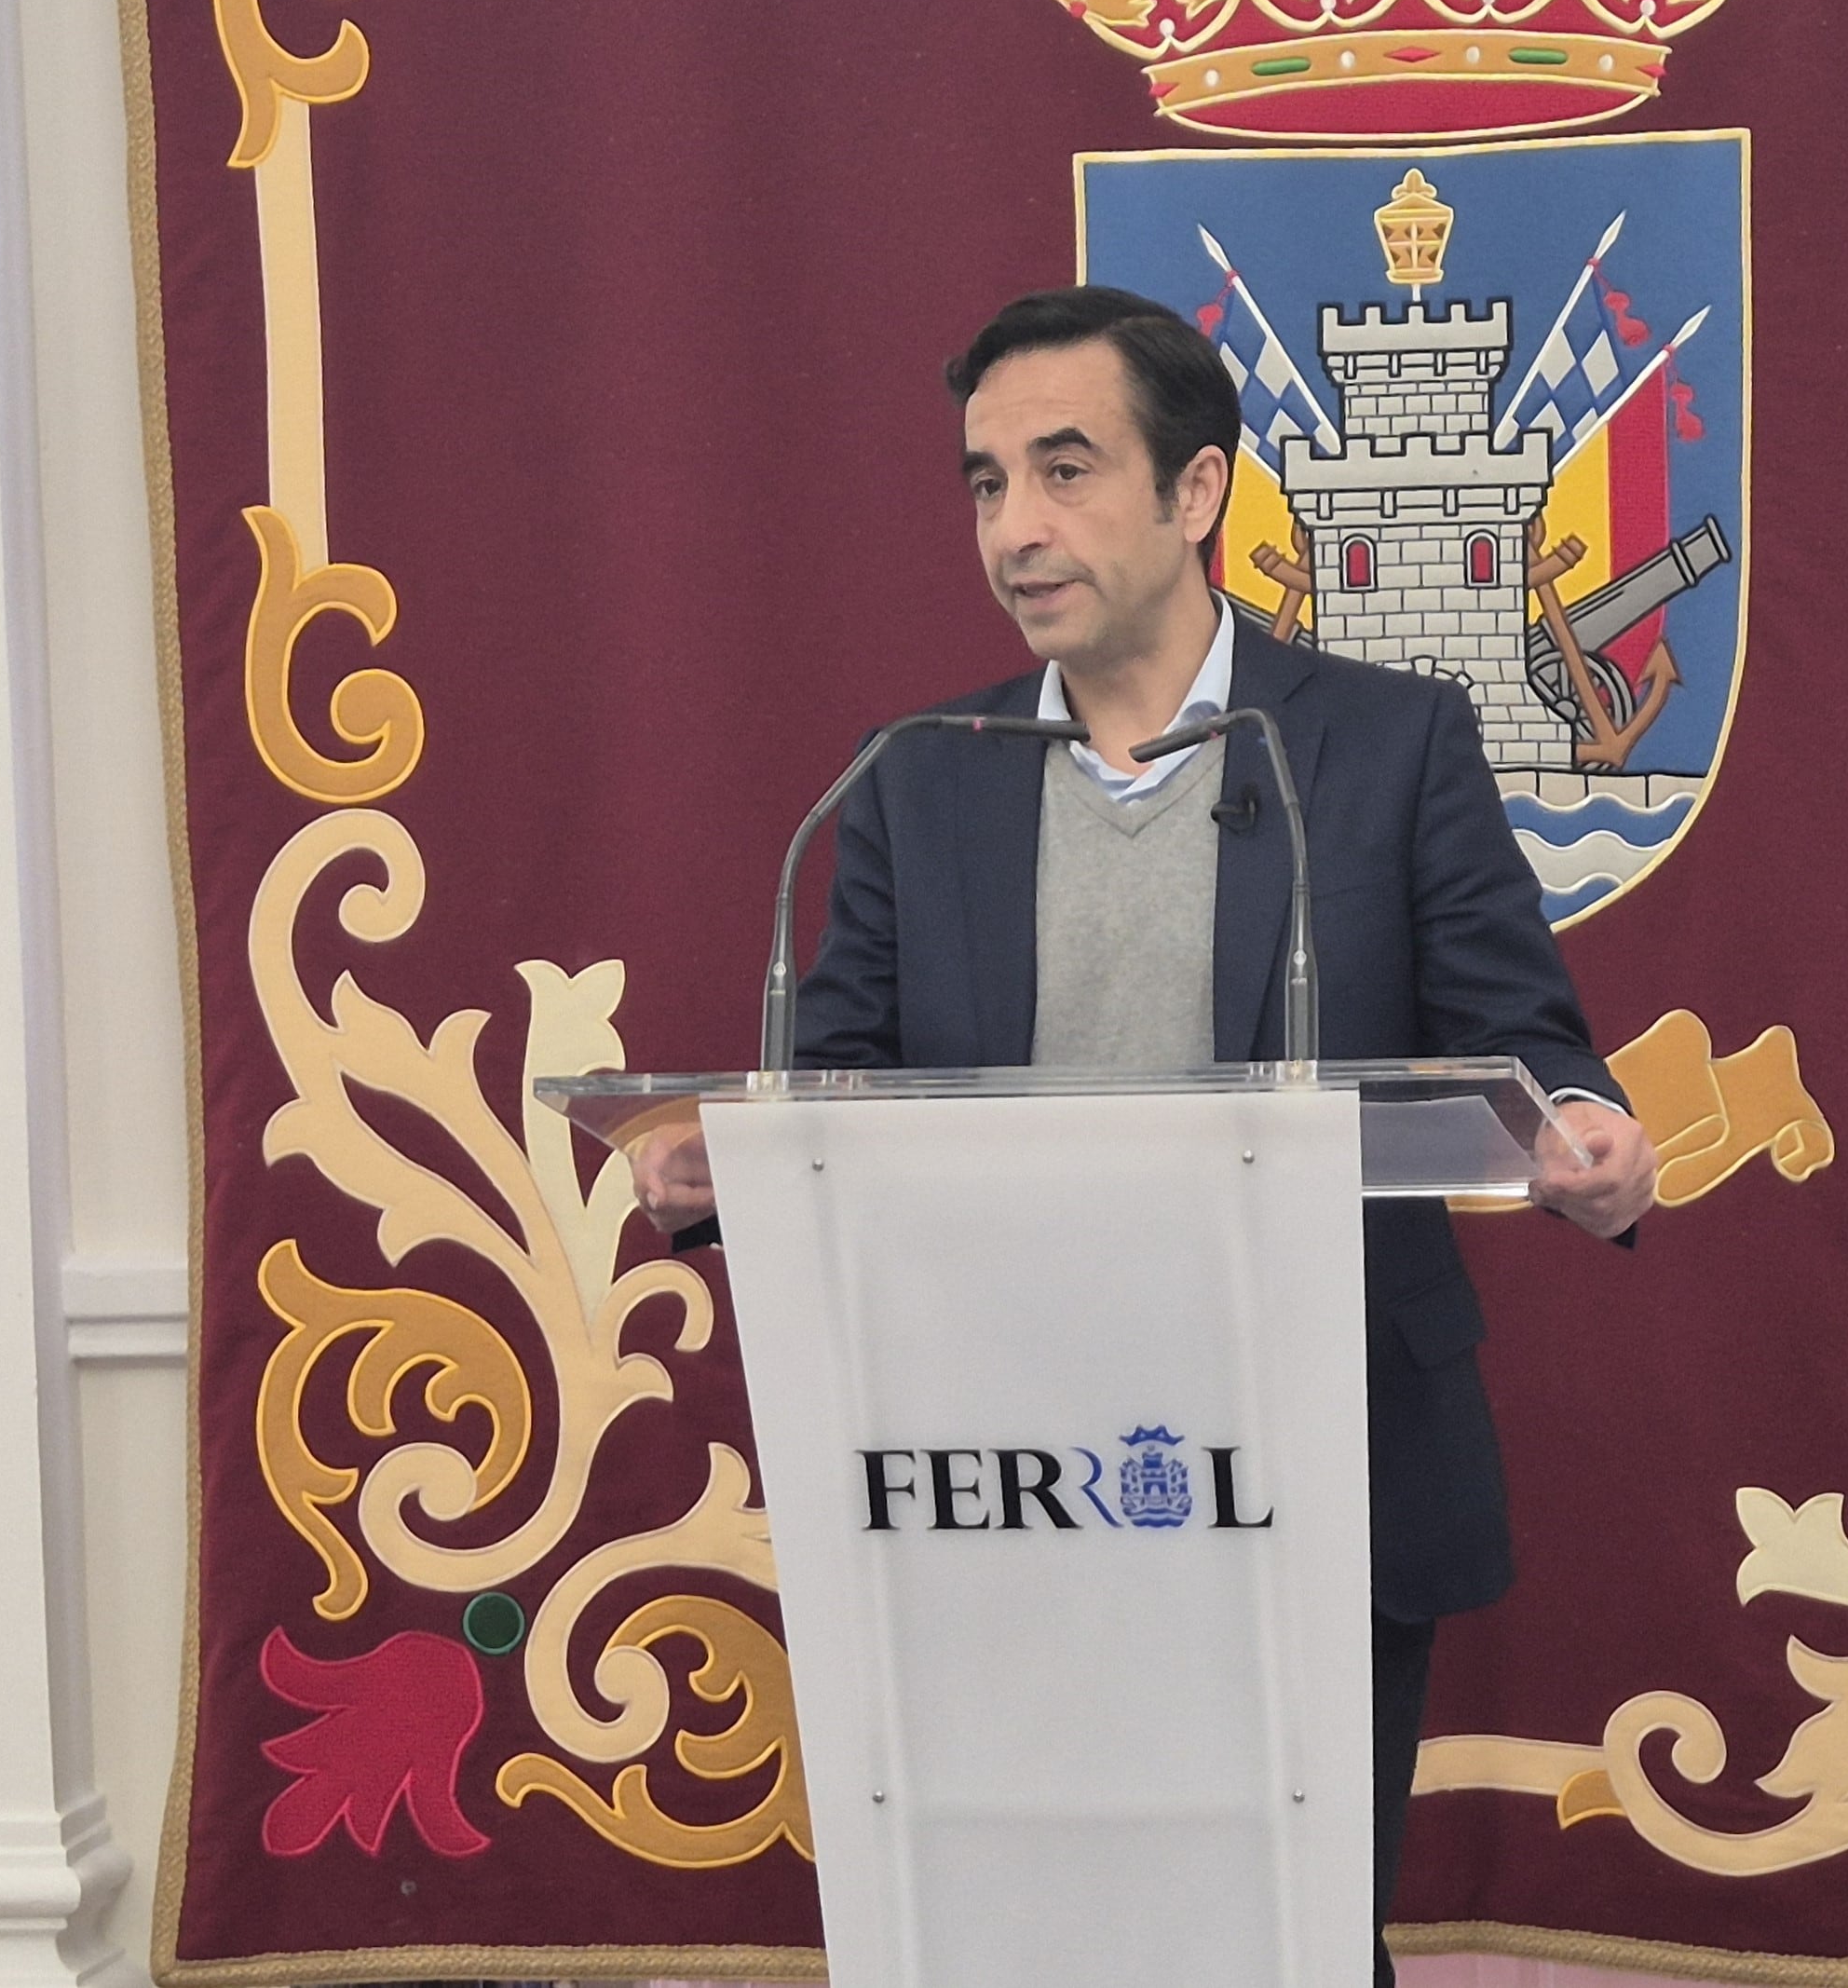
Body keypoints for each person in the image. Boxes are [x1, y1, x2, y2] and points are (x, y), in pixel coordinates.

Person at [632, 286, 1657, 1981]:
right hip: (994, 1463)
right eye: (982, 484)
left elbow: (1526, 1048)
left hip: (1313, 1446)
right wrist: (716, 1168)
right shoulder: (914, 778)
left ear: (1194, 495)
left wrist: (1588, 1141)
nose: (1015, 529)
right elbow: (839, 1083)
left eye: (1063, 470)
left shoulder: (1383, 748)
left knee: (1291, 1929)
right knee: (1039, 1928)